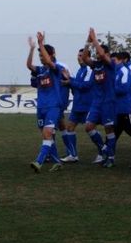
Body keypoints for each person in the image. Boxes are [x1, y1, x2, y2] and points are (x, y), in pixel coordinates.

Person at [27, 33, 67, 173]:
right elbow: (28, 65)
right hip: (41, 108)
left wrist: (41, 44)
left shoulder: (55, 69)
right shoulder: (40, 70)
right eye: (40, 56)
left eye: (42, 55)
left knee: (47, 132)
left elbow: (50, 62)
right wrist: (32, 49)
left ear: (49, 56)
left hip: (53, 107)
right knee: (47, 135)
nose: (41, 58)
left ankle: (39, 161)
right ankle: (57, 162)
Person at [82, 28, 118, 167]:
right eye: (96, 52)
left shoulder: (110, 65)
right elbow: (85, 57)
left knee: (109, 131)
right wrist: (88, 42)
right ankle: (104, 150)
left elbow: (103, 56)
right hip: (97, 102)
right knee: (89, 127)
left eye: (99, 52)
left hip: (108, 102)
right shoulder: (96, 65)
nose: (97, 54)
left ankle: (111, 158)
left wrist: (95, 40)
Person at [59, 49, 93, 163]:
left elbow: (85, 86)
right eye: (78, 55)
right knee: (69, 128)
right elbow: (76, 86)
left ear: (87, 57)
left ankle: (102, 151)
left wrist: (70, 81)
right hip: (77, 105)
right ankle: (73, 155)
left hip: (86, 105)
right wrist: (69, 78)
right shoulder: (80, 70)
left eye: (81, 55)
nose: (79, 57)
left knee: (90, 129)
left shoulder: (89, 69)